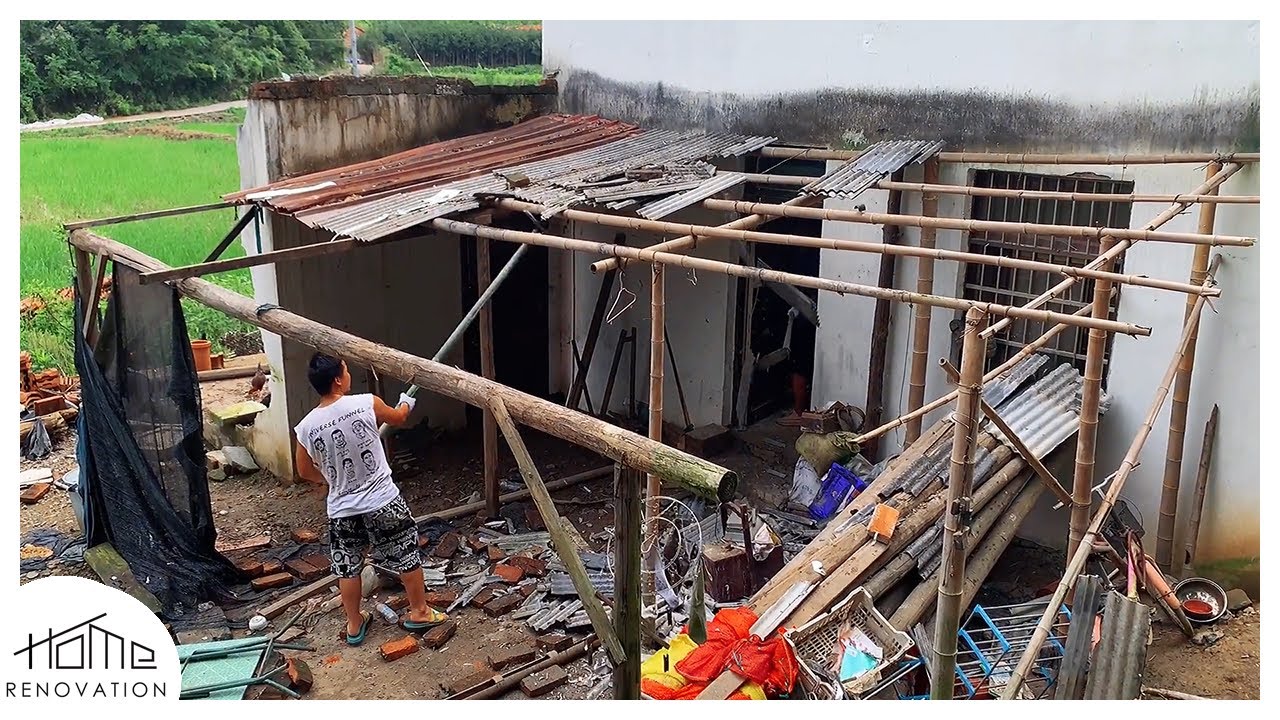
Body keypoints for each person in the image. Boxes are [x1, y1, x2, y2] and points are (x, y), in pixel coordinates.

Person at [293, 352, 447, 646]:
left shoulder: (306, 427)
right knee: (405, 553)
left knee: (347, 566)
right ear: (338, 379)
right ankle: (420, 611)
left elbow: (303, 470)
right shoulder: (366, 402)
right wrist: (407, 399)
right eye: (346, 370)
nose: (349, 375)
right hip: (383, 500)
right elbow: (400, 418)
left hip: (342, 509)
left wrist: (328, 479)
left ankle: (354, 623)